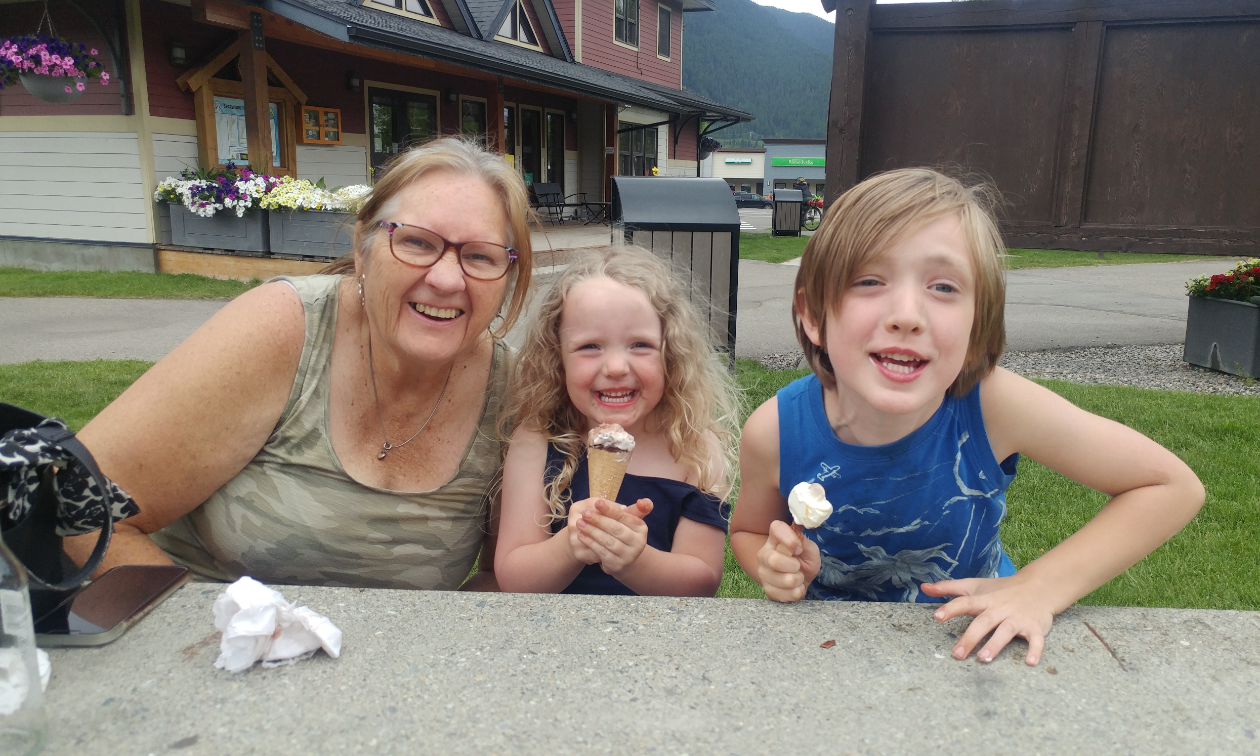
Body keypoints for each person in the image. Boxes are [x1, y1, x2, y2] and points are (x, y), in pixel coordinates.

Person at [730, 168, 1204, 665]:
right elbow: (749, 532)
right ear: (813, 315)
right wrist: (775, 567)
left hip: (974, 641)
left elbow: (1169, 487)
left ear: (978, 325)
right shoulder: (775, 432)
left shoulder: (993, 406)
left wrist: (1037, 587)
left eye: (944, 287)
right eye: (869, 280)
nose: (908, 313)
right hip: (830, 651)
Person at [64, 138, 534, 591]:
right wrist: (216, 635)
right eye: (416, 243)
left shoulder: (514, 394)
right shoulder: (284, 329)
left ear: (507, 274)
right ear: (362, 248)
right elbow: (77, 502)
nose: (448, 279)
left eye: (479, 255)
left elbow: (501, 576)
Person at [494, 247, 739, 596]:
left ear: (670, 355)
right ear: (557, 359)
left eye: (640, 345)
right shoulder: (536, 442)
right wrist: (570, 546)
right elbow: (513, 579)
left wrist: (636, 561)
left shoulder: (694, 448)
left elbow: (702, 581)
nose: (615, 367)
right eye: (590, 346)